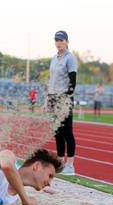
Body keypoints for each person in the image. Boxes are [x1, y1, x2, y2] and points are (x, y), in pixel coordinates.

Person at [47, 30, 78, 176]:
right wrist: (48, 98)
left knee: (67, 132)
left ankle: (70, 165)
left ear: (66, 41)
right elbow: (51, 79)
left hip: (64, 98)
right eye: (56, 40)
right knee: (57, 132)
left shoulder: (70, 58)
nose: (58, 43)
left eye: (61, 40)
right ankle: (59, 163)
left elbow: (72, 81)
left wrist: (66, 98)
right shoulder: (54, 58)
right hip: (53, 97)